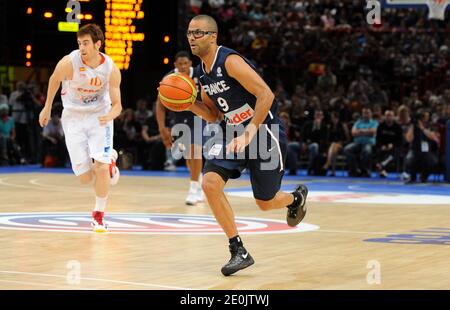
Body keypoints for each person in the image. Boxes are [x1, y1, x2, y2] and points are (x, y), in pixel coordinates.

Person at [183, 15, 308, 276]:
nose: (192, 37)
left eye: (198, 33)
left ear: (212, 36)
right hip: (231, 133)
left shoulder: (229, 61)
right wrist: (188, 104)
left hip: (264, 131)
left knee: (265, 202)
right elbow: (214, 114)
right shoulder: (201, 73)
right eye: (189, 33)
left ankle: (295, 198)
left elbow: (266, 94)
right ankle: (238, 250)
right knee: (210, 183)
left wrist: (250, 132)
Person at [38, 24, 122, 232]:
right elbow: (54, 80)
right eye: (79, 43)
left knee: (100, 169)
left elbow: (118, 104)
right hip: (73, 117)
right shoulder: (69, 62)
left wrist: (109, 115)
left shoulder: (110, 68)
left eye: (86, 43)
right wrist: (47, 107)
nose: (82, 47)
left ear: (97, 44)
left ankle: (98, 215)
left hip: (98, 116)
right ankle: (110, 159)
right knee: (85, 178)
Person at [156, 51, 205, 205]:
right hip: (178, 117)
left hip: (198, 115)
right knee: (188, 155)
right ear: (175, 65)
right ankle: (199, 180)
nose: (183, 66)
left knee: (194, 149)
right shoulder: (169, 77)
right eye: (180, 64)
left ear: (190, 63)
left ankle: (193, 188)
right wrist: (162, 128)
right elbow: (160, 105)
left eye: (186, 63)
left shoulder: (199, 74)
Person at [343, 106, 378, 177]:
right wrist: (367, 132)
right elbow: (353, 133)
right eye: (364, 113)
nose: (365, 115)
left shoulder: (374, 122)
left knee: (367, 151)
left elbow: (373, 132)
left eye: (367, 113)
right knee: (347, 149)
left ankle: (365, 171)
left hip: (369, 143)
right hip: (357, 143)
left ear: (371, 114)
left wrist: (360, 131)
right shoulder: (358, 122)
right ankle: (354, 170)